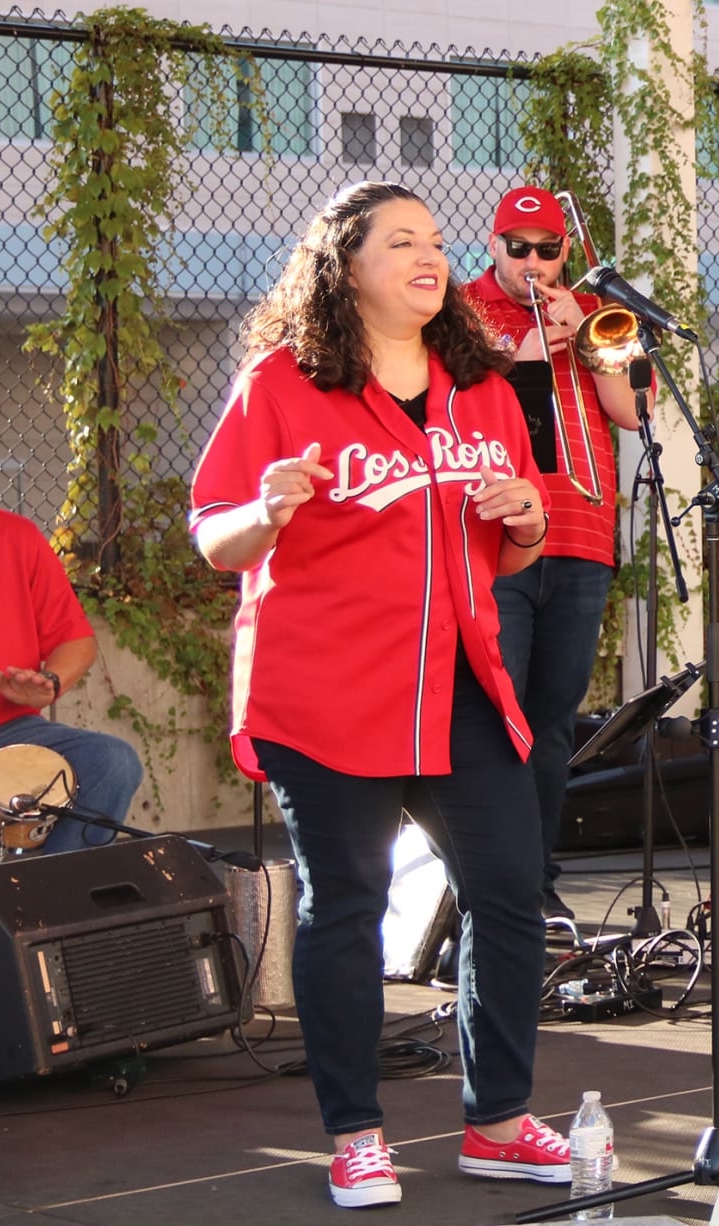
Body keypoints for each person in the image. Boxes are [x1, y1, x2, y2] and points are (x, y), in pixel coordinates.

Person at [189, 182, 568, 1208]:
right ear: (345, 265)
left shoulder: (482, 387)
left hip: (458, 682)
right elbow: (214, 535)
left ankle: (496, 1121)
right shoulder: (281, 383)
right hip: (327, 687)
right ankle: (356, 1134)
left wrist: (528, 513)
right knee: (345, 906)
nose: (429, 255)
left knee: (506, 887)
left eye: (437, 241)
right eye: (401, 240)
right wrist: (265, 513)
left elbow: (512, 543)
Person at [465, 185, 641, 926]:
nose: (534, 263)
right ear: (494, 246)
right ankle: (485, 883)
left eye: (548, 249)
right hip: (499, 536)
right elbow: (462, 405)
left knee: (553, 723)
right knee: (493, 720)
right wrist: (533, 351)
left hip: (581, 535)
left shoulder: (589, 308)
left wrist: (592, 344)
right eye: (519, 248)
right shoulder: (462, 310)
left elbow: (632, 410)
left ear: (565, 249)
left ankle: (535, 881)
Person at [0, 401, 142, 856]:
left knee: (111, 762)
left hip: (7, 734)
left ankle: (38, 909)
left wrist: (49, 683)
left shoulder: (16, 537)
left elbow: (74, 638)